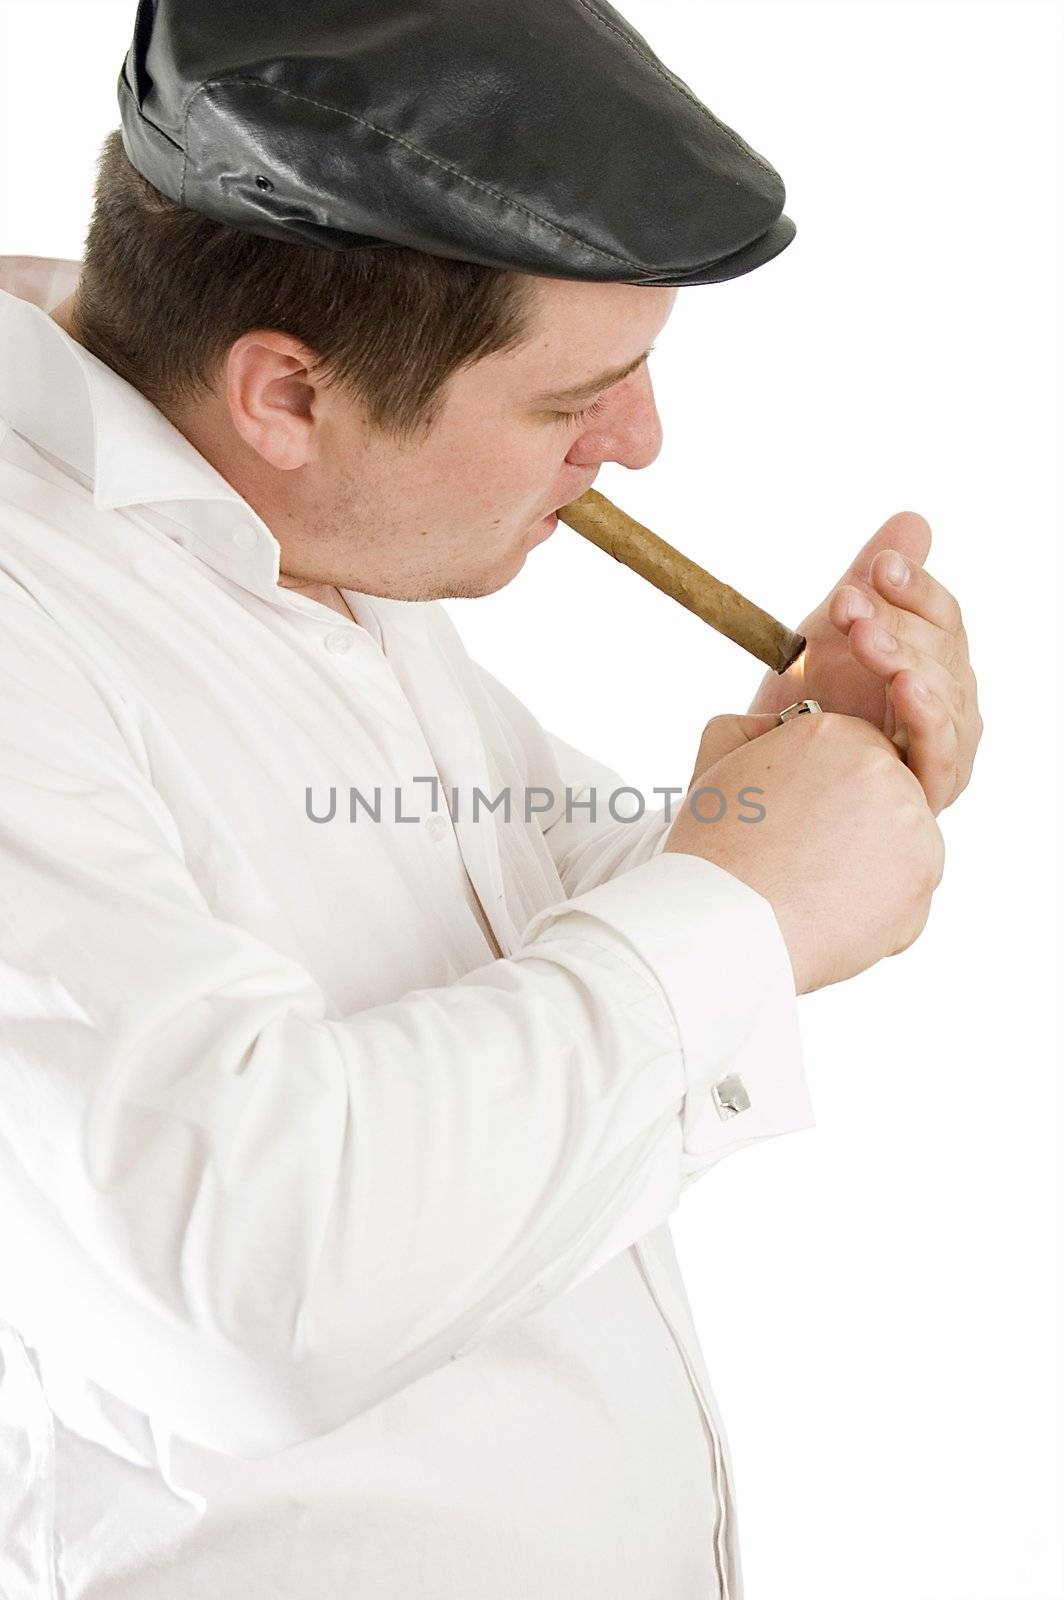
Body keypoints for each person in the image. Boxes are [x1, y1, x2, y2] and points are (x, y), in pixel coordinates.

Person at [0, 3, 981, 1597]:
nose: (639, 444)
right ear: (287, 397)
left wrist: (778, 786)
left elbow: (499, 907)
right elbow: (259, 1287)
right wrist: (749, 905)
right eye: (568, 402)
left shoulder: (277, 524)